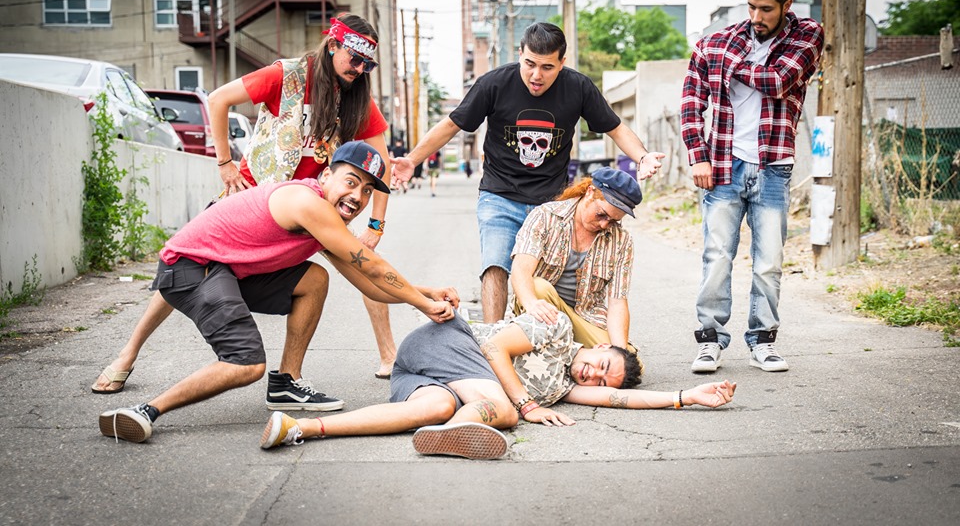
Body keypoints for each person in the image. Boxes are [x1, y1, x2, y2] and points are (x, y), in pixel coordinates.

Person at [91, 13, 399, 392]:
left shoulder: (355, 97)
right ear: (333, 45)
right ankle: (127, 354)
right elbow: (218, 99)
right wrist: (225, 163)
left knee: (364, 262)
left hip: (312, 207)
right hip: (252, 201)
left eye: (368, 64)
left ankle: (385, 357)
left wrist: (375, 225)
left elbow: (380, 164)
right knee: (186, 267)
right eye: (355, 59)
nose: (360, 69)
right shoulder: (286, 75)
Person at [98, 142, 458, 444]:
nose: (357, 197)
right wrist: (425, 305)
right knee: (246, 363)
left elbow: (368, 283)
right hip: (191, 268)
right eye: (351, 182)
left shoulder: (326, 220)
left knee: (314, 279)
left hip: (224, 270)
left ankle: (286, 382)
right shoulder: (307, 203)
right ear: (326, 176)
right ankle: (146, 410)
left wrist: (426, 293)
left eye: (367, 191)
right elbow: (374, 267)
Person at [391, 22, 665, 323]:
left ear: (562, 62)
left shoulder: (578, 87)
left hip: (552, 202)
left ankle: (547, 336)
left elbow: (615, 127)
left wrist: (642, 156)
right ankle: (494, 338)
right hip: (499, 194)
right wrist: (412, 160)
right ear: (520, 54)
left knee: (547, 277)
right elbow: (451, 124)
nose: (536, 75)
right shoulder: (494, 84)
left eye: (547, 67)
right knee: (495, 266)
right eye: (530, 64)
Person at [261, 312, 737, 458]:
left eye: (600, 377)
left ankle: (299, 428)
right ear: (600, 346)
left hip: (428, 376)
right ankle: (459, 430)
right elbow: (492, 348)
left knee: (430, 409)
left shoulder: (564, 388)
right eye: (601, 363)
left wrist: (685, 397)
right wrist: (525, 404)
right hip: (448, 343)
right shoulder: (555, 330)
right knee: (505, 411)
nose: (593, 375)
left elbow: (619, 398)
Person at [680, 0, 824, 373]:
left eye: (766, 9)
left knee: (769, 261)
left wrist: (725, 64)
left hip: (773, 165)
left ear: (786, 5)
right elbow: (691, 102)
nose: (756, 17)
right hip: (724, 164)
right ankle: (710, 341)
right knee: (716, 257)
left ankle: (763, 341)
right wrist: (698, 155)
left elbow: (778, 81)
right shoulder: (719, 41)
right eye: (751, 7)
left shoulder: (806, 35)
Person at [510, 167, 643, 368]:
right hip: (543, 311)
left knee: (629, 363)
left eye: (613, 221)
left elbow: (617, 302)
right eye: (601, 215)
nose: (604, 225)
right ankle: (571, 357)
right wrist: (531, 303)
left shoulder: (621, 240)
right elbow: (521, 270)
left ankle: (563, 356)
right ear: (589, 192)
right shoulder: (545, 216)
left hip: (584, 317)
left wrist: (618, 353)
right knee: (538, 287)